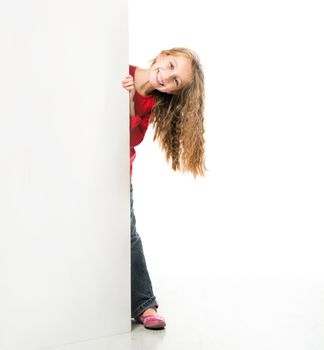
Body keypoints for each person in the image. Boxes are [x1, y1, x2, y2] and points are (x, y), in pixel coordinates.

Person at [121, 47, 206, 330]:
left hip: (119, 175)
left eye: (175, 82)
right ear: (161, 55)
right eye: (170, 66)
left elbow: (130, 138)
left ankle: (145, 305)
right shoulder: (121, 67)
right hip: (85, 172)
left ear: (171, 92)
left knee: (128, 236)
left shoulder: (150, 104)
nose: (166, 77)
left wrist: (131, 99)